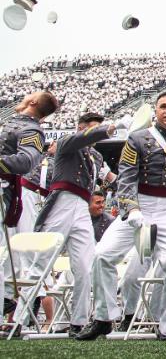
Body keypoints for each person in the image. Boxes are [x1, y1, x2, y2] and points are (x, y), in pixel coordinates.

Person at [78, 91, 166, 341]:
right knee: (102, 255)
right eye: (163, 106)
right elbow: (127, 177)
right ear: (156, 109)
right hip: (139, 208)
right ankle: (104, 316)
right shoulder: (137, 138)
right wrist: (131, 208)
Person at [13, 111, 128, 336]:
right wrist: (112, 127)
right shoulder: (67, 143)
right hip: (62, 202)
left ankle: (78, 322)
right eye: (91, 129)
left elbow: (113, 180)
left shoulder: (96, 156)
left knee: (85, 266)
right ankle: (19, 319)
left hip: (82, 207)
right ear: (80, 127)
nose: (95, 134)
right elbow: (81, 139)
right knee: (41, 262)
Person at [0, 90, 57, 317]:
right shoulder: (12, 122)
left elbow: (25, 161)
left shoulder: (31, 129)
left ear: (33, 102)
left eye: (29, 95)